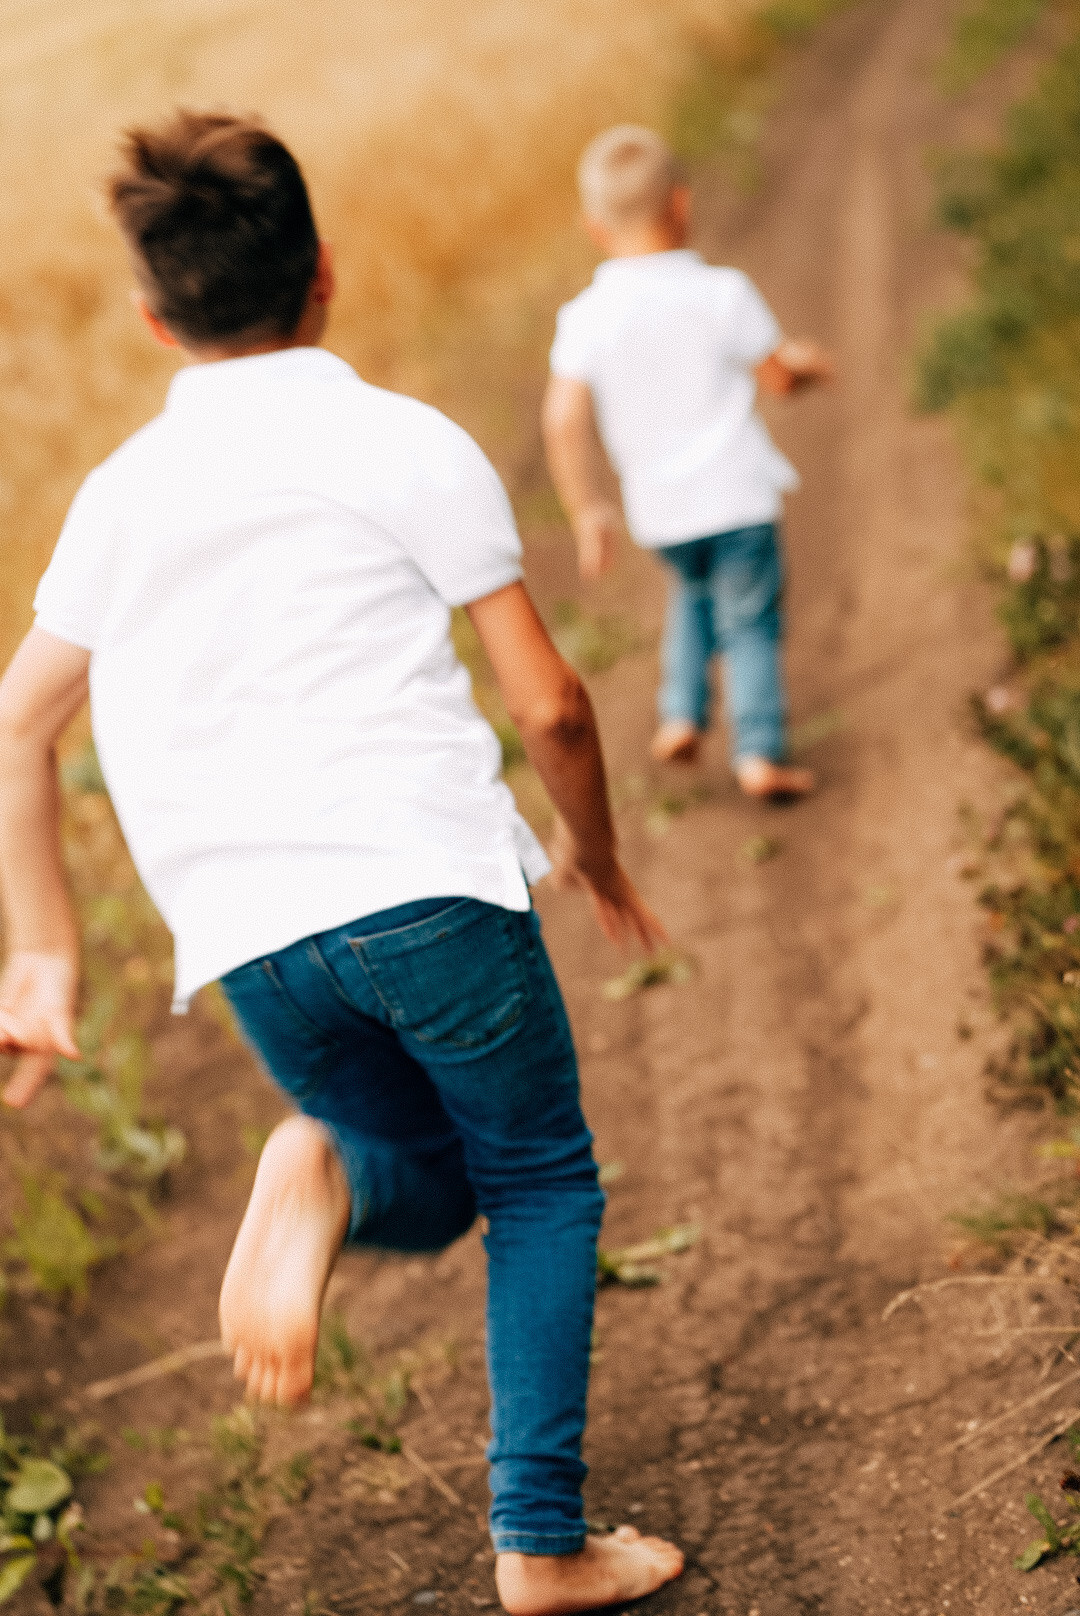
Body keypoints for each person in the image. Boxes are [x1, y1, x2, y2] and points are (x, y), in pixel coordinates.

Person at [0, 112, 685, 1615]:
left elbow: (18, 719)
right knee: (537, 1180)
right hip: (425, 888)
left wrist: (41, 953)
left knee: (426, 1188)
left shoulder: (119, 494)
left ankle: (314, 1167)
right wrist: (590, 846)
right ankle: (540, 1542)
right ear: (324, 273)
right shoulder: (403, 441)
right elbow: (552, 705)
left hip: (248, 937)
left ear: (152, 317)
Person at [542, 124, 834, 797]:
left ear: (594, 228)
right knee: (750, 621)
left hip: (662, 512)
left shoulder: (585, 317)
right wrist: (806, 367)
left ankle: (680, 713)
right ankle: (758, 753)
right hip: (736, 499)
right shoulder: (723, 292)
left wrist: (587, 511)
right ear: (681, 204)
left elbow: (562, 418)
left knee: (693, 593)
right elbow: (777, 378)